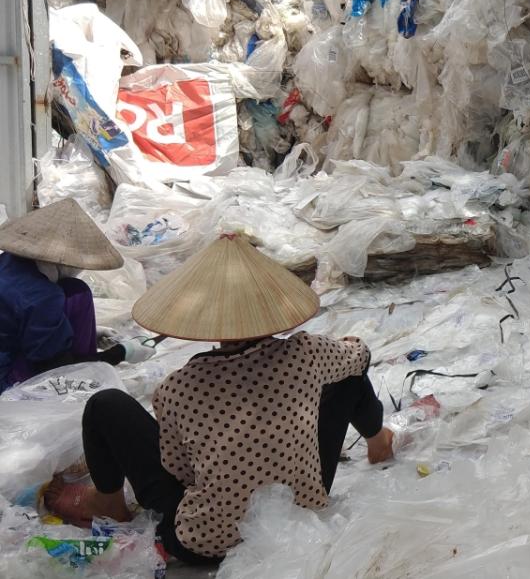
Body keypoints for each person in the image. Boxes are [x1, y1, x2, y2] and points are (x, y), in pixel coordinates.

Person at [44, 234, 395, 565]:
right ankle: (378, 440)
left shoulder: (178, 387)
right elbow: (360, 356)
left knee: (106, 405)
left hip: (203, 544)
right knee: (349, 373)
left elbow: (180, 472)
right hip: (299, 517)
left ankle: (109, 502)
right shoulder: (308, 352)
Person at [0, 198, 152, 392]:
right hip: (6, 381)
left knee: (76, 290)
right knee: (79, 295)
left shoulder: (7, 262)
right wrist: (121, 353)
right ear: (64, 262)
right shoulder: (42, 296)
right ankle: (84, 385)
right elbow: (55, 370)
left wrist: (91, 333)